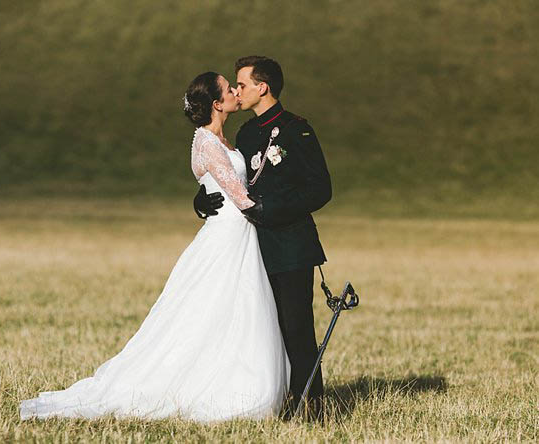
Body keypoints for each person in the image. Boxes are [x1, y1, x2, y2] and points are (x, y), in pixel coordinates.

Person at [19, 72, 289, 422]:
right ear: (218, 104)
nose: (237, 91)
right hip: (227, 236)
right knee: (209, 311)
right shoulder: (207, 142)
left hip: (239, 235)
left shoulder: (227, 139)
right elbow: (238, 196)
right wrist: (280, 211)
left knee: (236, 309)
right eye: (229, 88)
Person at [194, 56, 332, 421]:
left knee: (297, 328)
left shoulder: (297, 129)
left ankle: (312, 408)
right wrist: (202, 198)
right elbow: (231, 179)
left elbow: (320, 189)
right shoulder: (247, 134)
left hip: (291, 244)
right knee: (263, 329)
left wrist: (273, 209)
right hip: (252, 248)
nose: (237, 91)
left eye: (242, 84)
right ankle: (277, 400)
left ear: (262, 87)